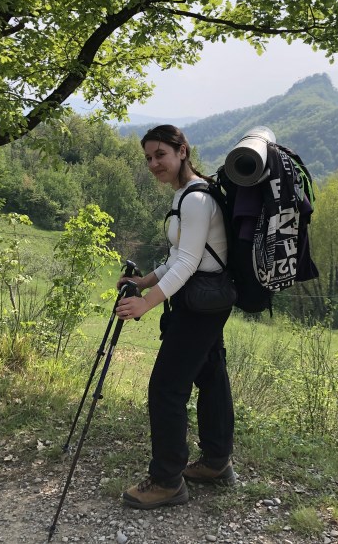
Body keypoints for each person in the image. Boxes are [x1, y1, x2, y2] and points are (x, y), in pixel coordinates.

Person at [115, 125, 237, 510]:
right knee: (210, 375)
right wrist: (144, 280)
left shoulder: (196, 200)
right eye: (148, 157)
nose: (153, 164)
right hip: (204, 299)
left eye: (160, 155)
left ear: (182, 151)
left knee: (166, 386)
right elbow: (179, 256)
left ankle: (168, 480)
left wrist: (146, 302)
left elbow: (187, 262)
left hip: (200, 303)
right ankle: (217, 462)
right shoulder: (187, 195)